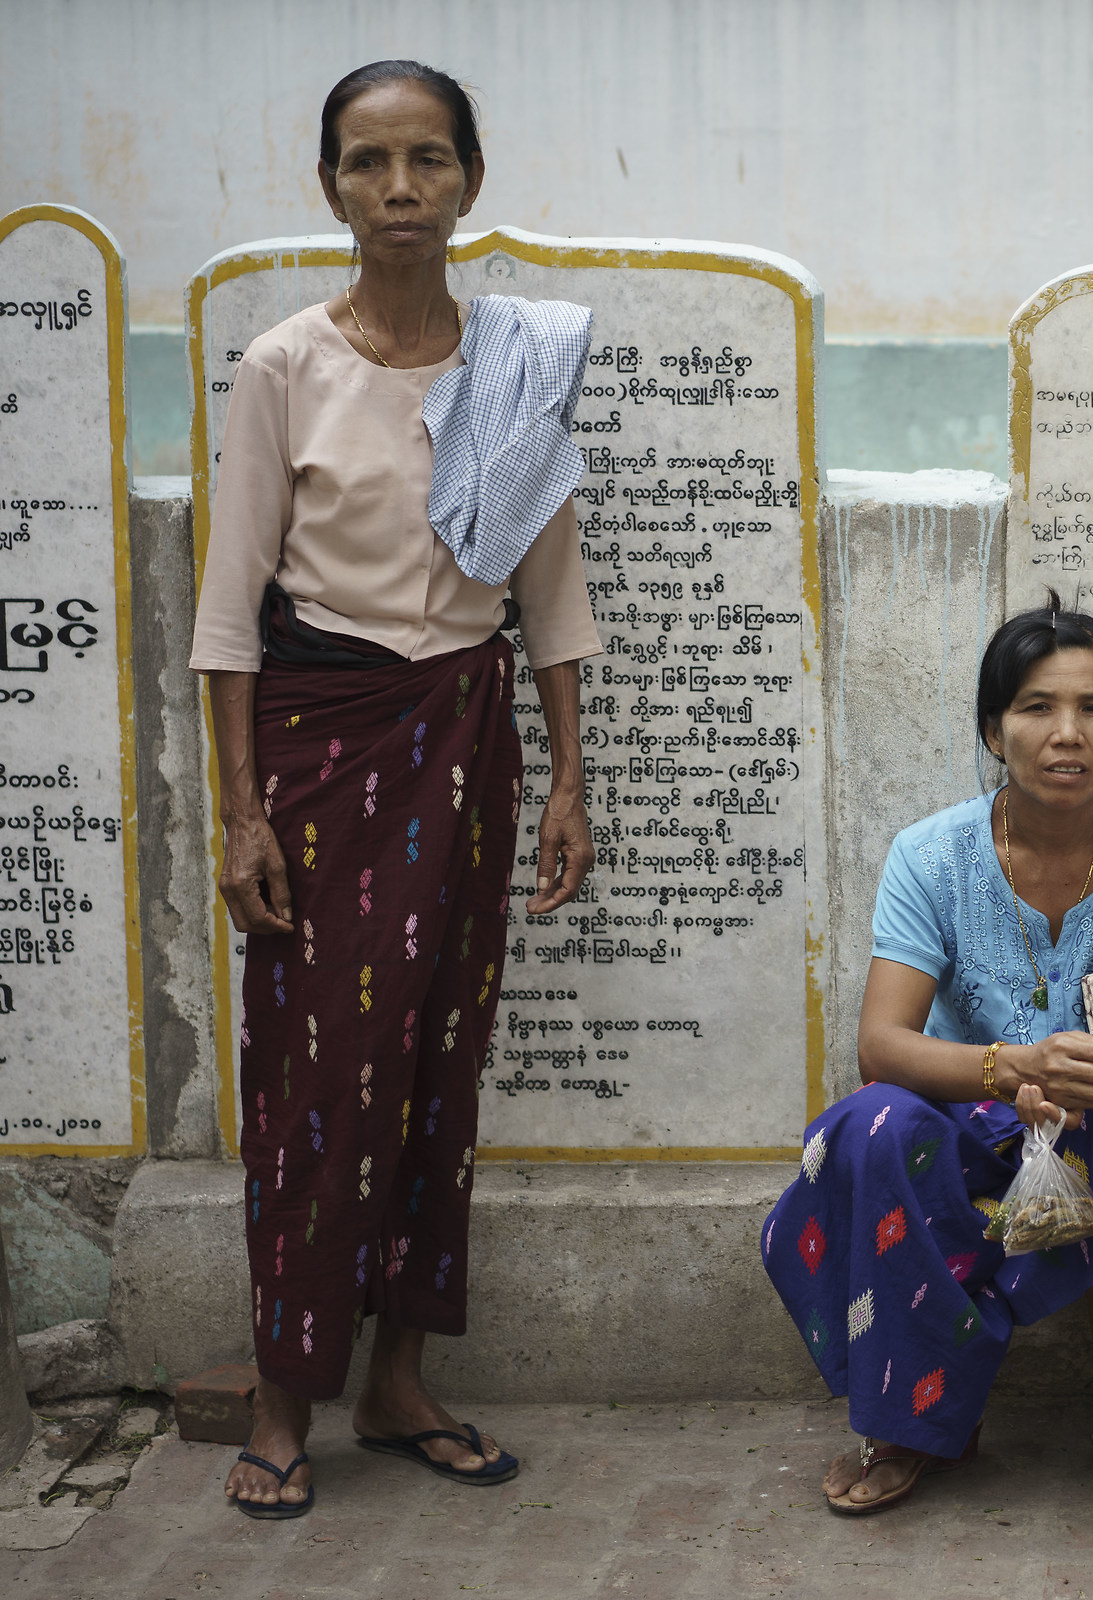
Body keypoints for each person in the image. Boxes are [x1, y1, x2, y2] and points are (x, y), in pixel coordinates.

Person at [189, 61, 601, 1517]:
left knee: (437, 1058)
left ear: (471, 180)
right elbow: (228, 614)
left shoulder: (518, 364)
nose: (401, 190)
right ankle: (284, 1394)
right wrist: (241, 814)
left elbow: (548, 590)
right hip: (322, 746)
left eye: (428, 159)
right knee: (314, 1072)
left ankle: (400, 1380)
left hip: (468, 740)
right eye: (369, 163)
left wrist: (567, 778)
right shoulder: (284, 366)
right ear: (332, 189)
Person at [761, 600, 1093, 1534]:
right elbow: (884, 1044)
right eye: (1037, 707)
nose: (1068, 734)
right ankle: (914, 1416)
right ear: (992, 729)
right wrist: (1013, 1067)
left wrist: (1081, 1071)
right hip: (971, 1119)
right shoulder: (931, 855)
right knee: (871, 1121)